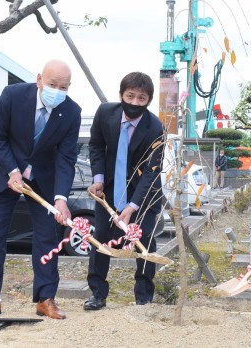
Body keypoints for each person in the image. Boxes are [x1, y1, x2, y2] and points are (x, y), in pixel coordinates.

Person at [0, 59, 81, 321]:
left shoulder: (72, 112)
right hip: (4, 174)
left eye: (64, 87)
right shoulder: (13, 95)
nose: (58, 91)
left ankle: (46, 300)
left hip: (43, 180)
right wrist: (12, 170)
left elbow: (66, 158)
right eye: (53, 84)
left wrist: (61, 198)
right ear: (40, 79)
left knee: (46, 240)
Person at [84, 72, 164, 310]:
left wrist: (132, 207)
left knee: (144, 241)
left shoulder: (155, 127)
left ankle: (144, 296)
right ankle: (97, 294)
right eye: (130, 96)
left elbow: (151, 172)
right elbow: (96, 145)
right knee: (101, 240)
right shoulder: (105, 113)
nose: (135, 102)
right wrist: (98, 178)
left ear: (148, 100)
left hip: (144, 196)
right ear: (121, 95)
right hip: (108, 191)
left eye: (142, 98)